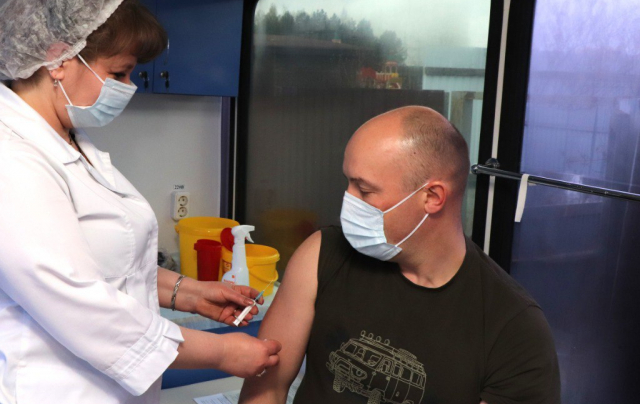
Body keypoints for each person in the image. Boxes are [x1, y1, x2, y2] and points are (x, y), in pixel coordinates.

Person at [0, 0, 280, 403]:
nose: (129, 87)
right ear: (58, 59)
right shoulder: (2, 163)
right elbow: (83, 307)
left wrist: (188, 293)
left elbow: (106, 264)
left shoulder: (69, 142)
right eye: (119, 73)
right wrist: (223, 352)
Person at [240, 106, 560, 404]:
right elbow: (266, 389)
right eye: (348, 184)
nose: (348, 202)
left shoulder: (513, 327)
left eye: (364, 190)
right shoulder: (321, 254)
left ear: (432, 197)